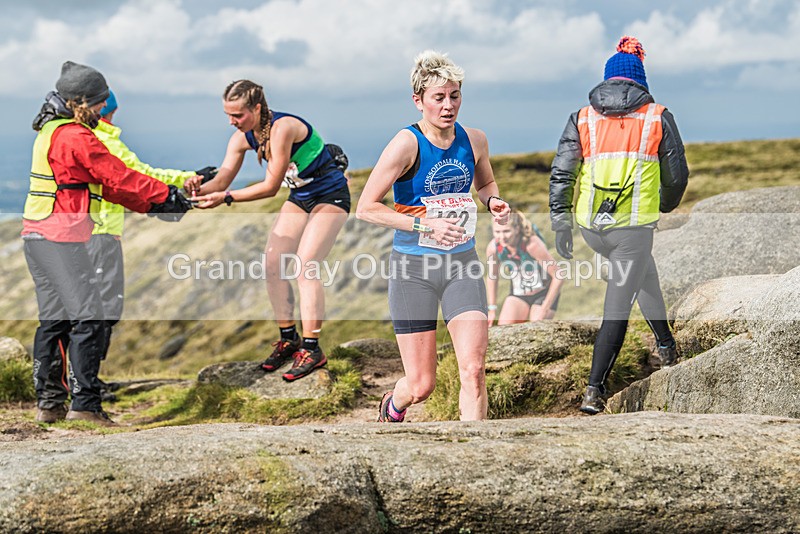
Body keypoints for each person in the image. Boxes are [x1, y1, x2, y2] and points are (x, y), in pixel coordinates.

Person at [23, 61, 192, 425]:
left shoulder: (49, 129)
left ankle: (49, 404)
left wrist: (157, 202)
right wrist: (166, 198)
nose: (103, 110)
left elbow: (110, 186)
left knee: (53, 320)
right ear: (80, 101)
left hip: (36, 236)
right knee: (90, 317)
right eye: (99, 103)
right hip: (62, 237)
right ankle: (85, 406)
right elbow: (117, 175)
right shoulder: (74, 135)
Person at [356, 50, 510, 422]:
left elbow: (485, 182)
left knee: (473, 369)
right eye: (438, 97)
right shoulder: (405, 144)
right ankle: (393, 404)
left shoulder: (474, 140)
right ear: (419, 100)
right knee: (422, 385)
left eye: (454, 95)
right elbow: (366, 207)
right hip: (414, 270)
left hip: (462, 265)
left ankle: (474, 457)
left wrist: (494, 201)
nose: (448, 105)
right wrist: (427, 225)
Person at [549, 37, 689, 414]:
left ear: (607, 83)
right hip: (632, 229)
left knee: (645, 275)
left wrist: (561, 223)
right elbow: (676, 178)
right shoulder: (657, 116)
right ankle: (594, 390)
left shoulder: (582, 117)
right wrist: (661, 205)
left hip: (592, 228)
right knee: (617, 306)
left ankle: (666, 346)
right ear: (639, 82)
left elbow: (562, 173)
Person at [190, 80, 350, 381]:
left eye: (238, 115)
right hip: (301, 197)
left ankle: (312, 348)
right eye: (228, 115)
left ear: (257, 108)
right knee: (273, 264)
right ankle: (289, 339)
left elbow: (270, 187)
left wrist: (225, 198)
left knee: (306, 265)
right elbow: (221, 180)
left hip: (331, 196)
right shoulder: (242, 138)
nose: (232, 122)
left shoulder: (283, 128)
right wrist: (191, 190)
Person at [89, 90, 209, 394]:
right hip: (99, 235)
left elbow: (139, 174)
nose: (112, 113)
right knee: (101, 312)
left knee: (94, 312)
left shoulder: (92, 136)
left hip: (94, 233)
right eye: (109, 108)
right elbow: (138, 174)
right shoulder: (102, 139)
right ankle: (84, 383)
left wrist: (185, 178)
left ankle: (83, 380)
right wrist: (184, 181)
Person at [485, 210, 562, 325]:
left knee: (537, 327)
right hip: (519, 293)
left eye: (506, 231)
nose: (502, 237)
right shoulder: (493, 248)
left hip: (543, 293)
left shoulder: (532, 244)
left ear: (516, 229)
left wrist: (544, 308)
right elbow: (492, 277)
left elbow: (558, 275)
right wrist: (492, 309)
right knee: (504, 329)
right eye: (497, 232)